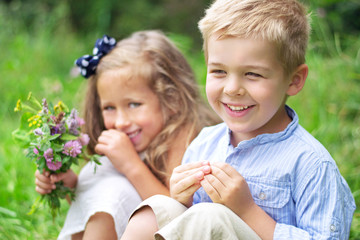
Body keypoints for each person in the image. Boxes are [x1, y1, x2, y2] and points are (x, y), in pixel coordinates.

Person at [120, 0, 356, 239]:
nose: (232, 89)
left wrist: (247, 211)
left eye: (252, 74)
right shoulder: (205, 143)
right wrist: (183, 201)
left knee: (208, 216)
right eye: (219, 71)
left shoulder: (311, 165)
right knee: (157, 209)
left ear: (294, 80)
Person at [34, 30, 219, 240]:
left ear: (172, 99)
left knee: (114, 187)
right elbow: (95, 206)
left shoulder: (181, 135)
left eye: (134, 104)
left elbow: (174, 213)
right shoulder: (120, 140)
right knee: (105, 181)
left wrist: (131, 165)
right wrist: (68, 184)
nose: (121, 122)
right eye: (109, 108)